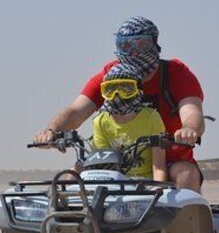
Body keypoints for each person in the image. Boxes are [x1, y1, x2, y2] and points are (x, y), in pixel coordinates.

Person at [33, 16, 207, 192]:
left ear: (154, 43)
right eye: (125, 45)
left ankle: (189, 218)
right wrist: (52, 131)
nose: (134, 53)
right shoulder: (111, 76)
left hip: (167, 159)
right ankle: (68, 217)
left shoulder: (176, 74)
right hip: (115, 159)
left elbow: (192, 112)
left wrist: (189, 129)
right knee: (72, 175)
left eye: (141, 44)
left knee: (185, 173)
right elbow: (76, 111)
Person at [92, 63, 167, 181]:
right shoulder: (100, 121)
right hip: (115, 183)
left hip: (146, 183)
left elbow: (158, 166)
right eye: (110, 89)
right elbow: (105, 167)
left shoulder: (152, 118)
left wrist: (158, 192)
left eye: (126, 88)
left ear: (139, 90)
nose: (117, 95)